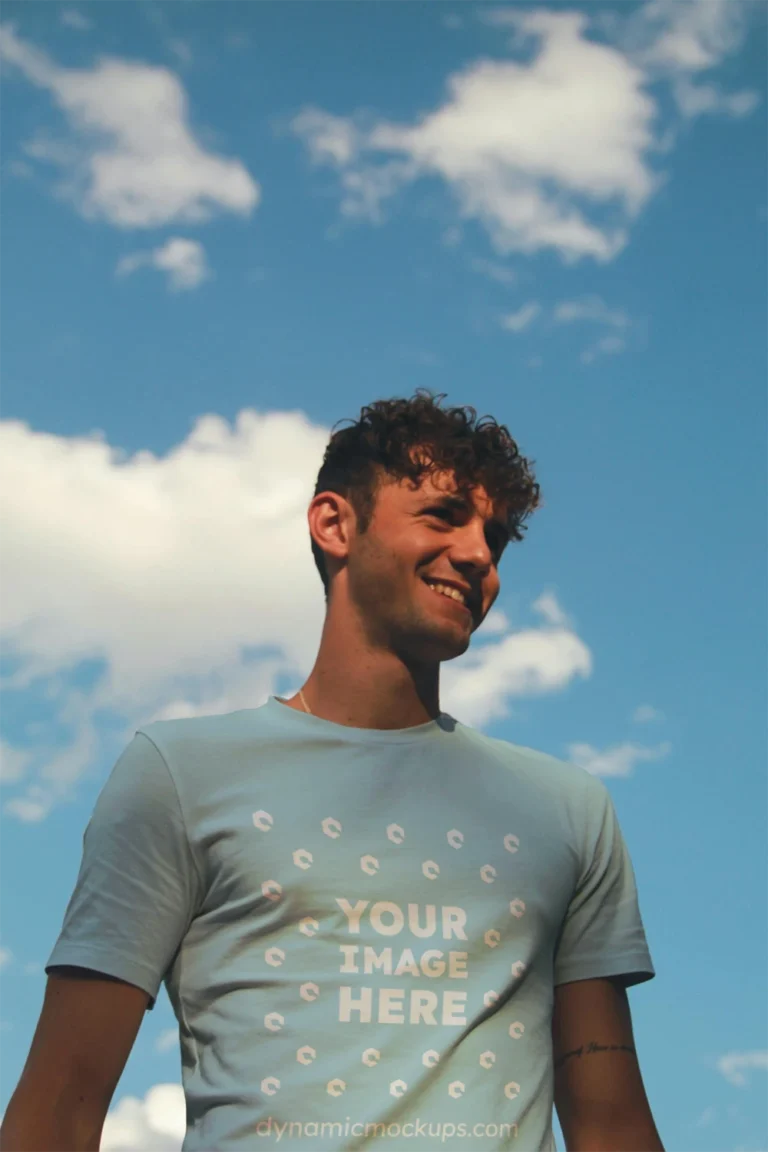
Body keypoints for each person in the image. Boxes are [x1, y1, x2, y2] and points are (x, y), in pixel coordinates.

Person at [0, 391, 665, 1151]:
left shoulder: (568, 811)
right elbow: (57, 1109)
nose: (481, 554)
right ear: (334, 524)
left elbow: (611, 1124)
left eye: (497, 536)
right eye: (444, 515)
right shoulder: (180, 774)